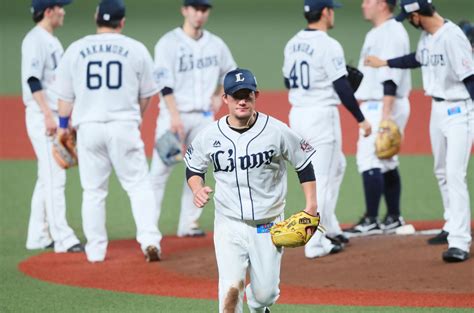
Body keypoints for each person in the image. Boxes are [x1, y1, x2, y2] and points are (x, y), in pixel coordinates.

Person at [185, 69, 318, 313]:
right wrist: (196, 188)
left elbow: (304, 162)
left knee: (265, 294)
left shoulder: (276, 130)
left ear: (256, 95)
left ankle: (259, 308)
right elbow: (193, 167)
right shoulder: (210, 135)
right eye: (236, 96)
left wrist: (311, 205)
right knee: (230, 292)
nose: (242, 101)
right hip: (228, 224)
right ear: (225, 99)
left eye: (247, 94)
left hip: (267, 225)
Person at [52, 0, 162, 263]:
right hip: (124, 125)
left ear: (96, 18)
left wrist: (63, 129)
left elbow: (64, 100)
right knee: (138, 186)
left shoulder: (76, 49)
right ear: (122, 22)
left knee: (93, 191)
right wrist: (135, 118)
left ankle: (96, 250)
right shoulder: (136, 49)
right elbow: (146, 95)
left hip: (88, 128)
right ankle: (149, 240)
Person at [365, 0, 474, 262]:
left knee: (454, 174)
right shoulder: (428, 37)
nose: (408, 21)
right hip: (437, 111)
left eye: (409, 16)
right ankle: (451, 224)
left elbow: (470, 78)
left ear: (417, 15)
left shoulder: (453, 37)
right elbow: (417, 59)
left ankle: (460, 241)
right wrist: (386, 62)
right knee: (441, 171)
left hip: (459, 111)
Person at [282, 0, 372, 258]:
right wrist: (361, 119)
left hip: (297, 116)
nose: (333, 14)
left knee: (337, 166)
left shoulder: (292, 43)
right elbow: (342, 87)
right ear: (325, 12)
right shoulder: (329, 45)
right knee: (320, 179)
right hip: (322, 118)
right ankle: (315, 243)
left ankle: (329, 224)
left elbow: (287, 80)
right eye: (332, 10)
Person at [150, 0, 237, 238]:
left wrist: (220, 96)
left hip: (203, 118)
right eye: (195, 9)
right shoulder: (168, 43)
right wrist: (174, 116)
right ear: (185, 10)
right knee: (159, 172)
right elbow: (163, 83)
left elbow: (230, 72)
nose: (199, 14)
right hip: (173, 117)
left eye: (204, 10)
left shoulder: (216, 44)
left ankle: (187, 224)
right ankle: (148, 229)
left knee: (198, 170)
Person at [344, 0, 412, 236]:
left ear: (383, 4)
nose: (363, 4)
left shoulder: (391, 33)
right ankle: (393, 216)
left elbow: (390, 77)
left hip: (383, 104)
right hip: (380, 102)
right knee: (386, 160)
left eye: (368, 0)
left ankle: (371, 220)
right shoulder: (379, 31)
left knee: (368, 158)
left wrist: (385, 118)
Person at [21, 0, 82, 253]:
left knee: (45, 176)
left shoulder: (51, 40)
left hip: (53, 117)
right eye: (60, 7)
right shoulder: (35, 40)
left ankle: (37, 234)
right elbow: (33, 80)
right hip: (42, 117)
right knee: (54, 178)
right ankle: (63, 238)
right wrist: (48, 115)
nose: (63, 11)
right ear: (48, 12)